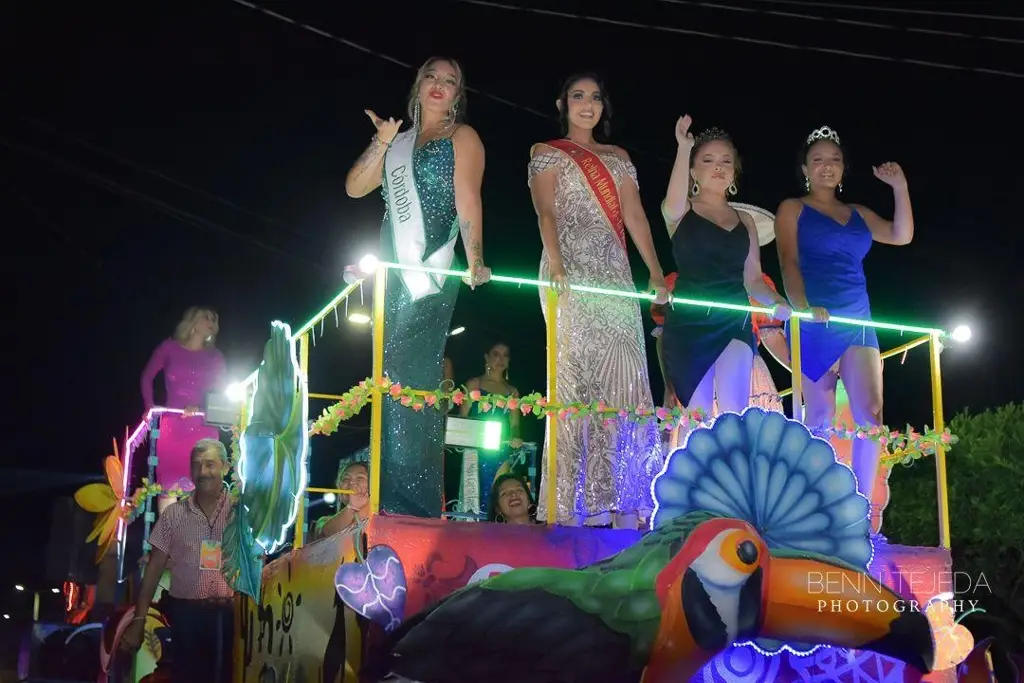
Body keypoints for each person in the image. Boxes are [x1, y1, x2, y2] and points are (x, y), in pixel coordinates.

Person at [344, 56, 490, 519]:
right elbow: (355, 188)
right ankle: (390, 500)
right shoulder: (400, 141)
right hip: (392, 274)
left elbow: (468, 197)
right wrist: (382, 141)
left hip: (428, 274)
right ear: (419, 83)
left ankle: (415, 508)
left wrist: (477, 257)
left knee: (414, 382)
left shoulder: (461, 137)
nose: (440, 86)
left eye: (451, 81)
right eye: (433, 76)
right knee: (389, 382)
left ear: (458, 95)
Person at [528, 73, 669, 529]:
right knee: (574, 383)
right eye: (577, 96)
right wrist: (558, 263)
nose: (587, 105)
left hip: (614, 276)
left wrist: (652, 270)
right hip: (568, 270)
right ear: (562, 103)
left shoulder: (619, 158)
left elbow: (635, 217)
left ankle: (626, 503)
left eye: (594, 97)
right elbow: (545, 211)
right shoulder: (546, 152)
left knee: (627, 379)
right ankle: (572, 508)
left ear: (603, 106)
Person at [775, 125, 913, 503]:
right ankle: (809, 502)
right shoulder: (793, 208)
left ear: (843, 168)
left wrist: (899, 187)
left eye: (834, 159)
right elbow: (788, 260)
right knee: (817, 413)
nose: (826, 166)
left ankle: (861, 508)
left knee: (871, 411)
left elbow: (901, 235)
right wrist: (801, 309)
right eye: (817, 159)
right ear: (805, 167)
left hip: (857, 318)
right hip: (815, 317)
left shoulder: (858, 213)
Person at [659, 117, 791, 426]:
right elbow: (670, 205)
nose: (718, 166)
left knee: (734, 414)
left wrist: (776, 301)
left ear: (734, 172)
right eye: (707, 160)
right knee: (699, 419)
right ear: (693, 171)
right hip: (689, 321)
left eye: (725, 161)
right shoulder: (682, 212)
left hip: (733, 318)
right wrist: (683, 147)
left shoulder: (745, 221)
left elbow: (753, 279)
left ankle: (735, 468)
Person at [121, 439, 234, 683]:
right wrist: (138, 621)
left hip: (230, 618)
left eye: (210, 464)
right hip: (186, 617)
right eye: (197, 465)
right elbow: (153, 569)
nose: (203, 472)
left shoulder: (242, 512)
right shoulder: (174, 515)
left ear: (225, 467)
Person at [141, 307, 226, 512]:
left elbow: (222, 392)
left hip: (203, 428)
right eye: (207, 317)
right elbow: (146, 377)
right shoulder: (169, 348)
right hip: (172, 427)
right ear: (193, 322)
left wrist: (202, 407)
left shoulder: (215, 357)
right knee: (169, 486)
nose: (212, 322)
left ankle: (197, 542)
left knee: (202, 485)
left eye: (215, 319)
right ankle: (167, 541)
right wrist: (149, 407)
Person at [311, 460, 370, 541]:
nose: (351, 482)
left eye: (360, 478)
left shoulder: (381, 517)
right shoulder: (324, 521)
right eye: (346, 479)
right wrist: (351, 508)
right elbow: (326, 533)